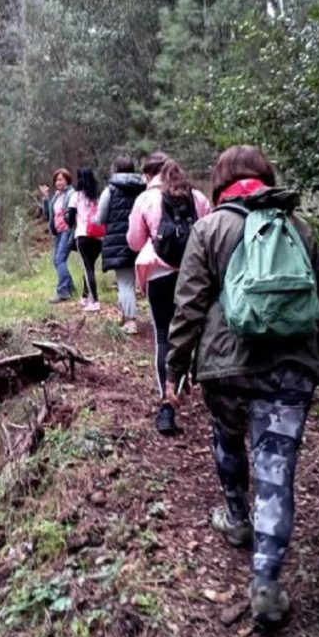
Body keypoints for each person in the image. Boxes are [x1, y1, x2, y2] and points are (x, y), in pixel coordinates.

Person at [165, 144, 319, 625]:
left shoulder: (210, 228)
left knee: (227, 437)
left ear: (219, 184)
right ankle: (266, 582)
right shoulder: (299, 229)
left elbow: (188, 309)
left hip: (226, 369)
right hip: (291, 371)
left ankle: (237, 517)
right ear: (268, 177)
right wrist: (316, 366)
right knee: (276, 467)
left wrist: (174, 371)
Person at [127, 151, 212, 436]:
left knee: (164, 335)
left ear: (150, 174)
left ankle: (167, 406)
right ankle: (197, 388)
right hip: (193, 275)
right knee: (193, 331)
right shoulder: (198, 197)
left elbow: (135, 241)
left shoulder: (145, 199)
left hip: (159, 274)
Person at [94, 154, 145, 333]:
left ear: (115, 169)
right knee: (136, 282)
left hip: (118, 240)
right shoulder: (143, 188)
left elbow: (100, 218)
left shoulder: (110, 190)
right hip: (142, 240)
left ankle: (130, 321)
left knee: (125, 282)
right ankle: (126, 316)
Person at [69, 168, 103, 312]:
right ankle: (85, 296)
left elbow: (70, 219)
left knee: (87, 267)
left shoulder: (75, 197)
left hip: (83, 235)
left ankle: (94, 301)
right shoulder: (97, 197)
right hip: (98, 237)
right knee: (89, 266)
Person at [40, 168, 76, 303]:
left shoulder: (71, 194)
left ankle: (62, 292)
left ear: (67, 179)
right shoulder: (57, 196)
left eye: (61, 179)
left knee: (60, 259)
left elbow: (72, 213)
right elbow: (49, 214)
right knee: (56, 260)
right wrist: (45, 198)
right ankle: (70, 288)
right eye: (56, 180)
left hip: (67, 231)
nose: (58, 182)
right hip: (59, 232)